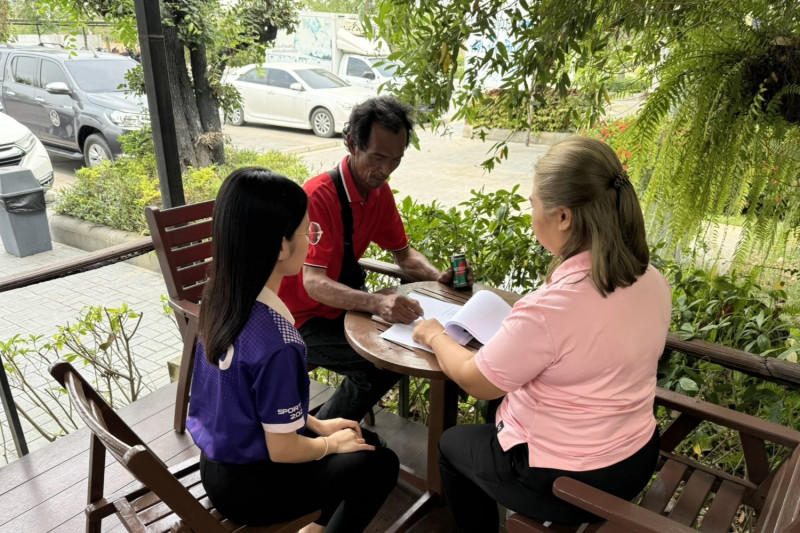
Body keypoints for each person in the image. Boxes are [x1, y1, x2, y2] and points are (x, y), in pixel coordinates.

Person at [412, 137, 672, 531]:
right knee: (497, 411)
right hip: (634, 458)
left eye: (533, 203)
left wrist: (433, 335)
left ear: (564, 217)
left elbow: (474, 381)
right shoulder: (651, 279)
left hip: (570, 480)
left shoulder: (552, 307)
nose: (532, 212)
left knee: (451, 445)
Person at [186, 167, 399, 532]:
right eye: (307, 231)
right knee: (380, 463)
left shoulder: (219, 300)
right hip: (251, 489)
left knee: (361, 439)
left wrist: (319, 425)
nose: (311, 240)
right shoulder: (279, 342)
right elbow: (283, 449)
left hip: (217, 463)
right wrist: (328, 446)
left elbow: (250, 403)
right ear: (282, 246)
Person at [279, 96, 463, 437]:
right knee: (380, 365)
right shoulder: (318, 196)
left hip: (341, 310)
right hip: (298, 318)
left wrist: (439, 276)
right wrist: (378, 303)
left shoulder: (379, 192)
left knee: (397, 352)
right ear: (352, 144)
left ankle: (325, 434)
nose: (386, 170)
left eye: (396, 160)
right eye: (378, 157)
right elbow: (313, 283)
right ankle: (318, 442)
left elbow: (404, 255)